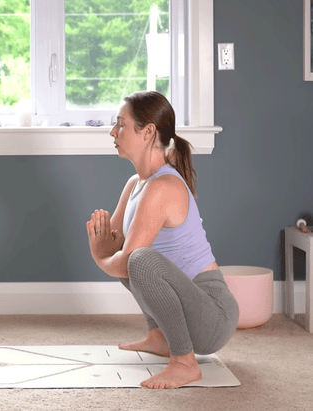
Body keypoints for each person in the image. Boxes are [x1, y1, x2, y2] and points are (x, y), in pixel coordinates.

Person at [86, 90, 239, 389]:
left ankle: (184, 362)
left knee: (139, 260)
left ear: (148, 132)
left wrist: (99, 256)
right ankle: (161, 337)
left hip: (213, 316)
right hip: (192, 307)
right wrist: (103, 246)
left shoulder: (163, 187)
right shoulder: (136, 184)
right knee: (135, 260)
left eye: (121, 124)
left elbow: (125, 260)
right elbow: (114, 245)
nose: (112, 132)